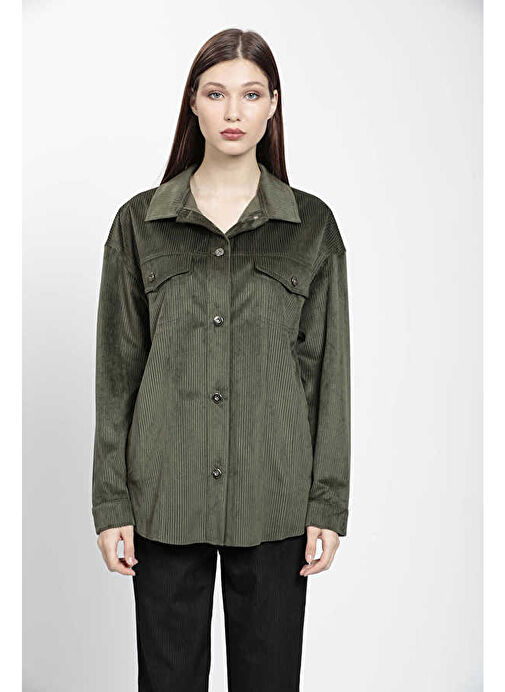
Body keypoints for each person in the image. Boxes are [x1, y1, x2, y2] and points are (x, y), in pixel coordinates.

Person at [91, 27, 351, 692]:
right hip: (164, 494)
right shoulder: (139, 225)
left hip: (274, 496)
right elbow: (118, 372)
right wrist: (111, 502)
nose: (233, 111)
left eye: (250, 94)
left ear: (273, 105)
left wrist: (327, 502)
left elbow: (328, 374)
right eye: (216, 93)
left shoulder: (312, 229)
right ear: (193, 103)